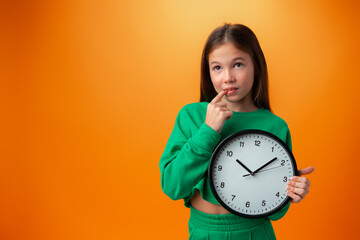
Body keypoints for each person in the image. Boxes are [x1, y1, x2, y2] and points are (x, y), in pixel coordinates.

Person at [159, 23, 314, 240]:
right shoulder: (192, 116)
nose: (227, 78)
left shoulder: (275, 126)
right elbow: (172, 186)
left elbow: (276, 213)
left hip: (255, 232)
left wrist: (290, 194)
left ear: (256, 66)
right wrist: (208, 131)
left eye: (238, 65)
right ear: (208, 72)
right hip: (203, 231)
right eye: (217, 68)